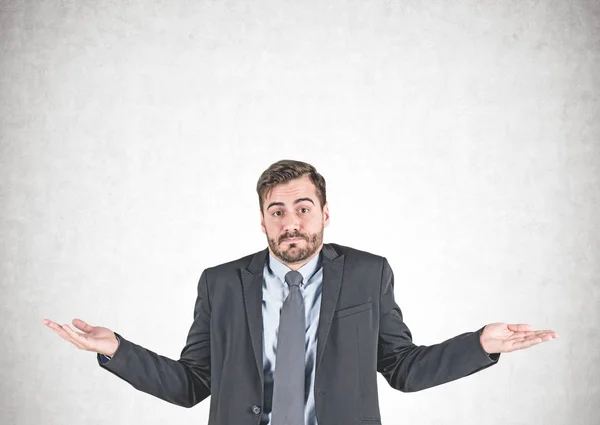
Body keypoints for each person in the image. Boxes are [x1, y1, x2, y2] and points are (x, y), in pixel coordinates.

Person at [43, 159, 558, 425]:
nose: (292, 223)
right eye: (278, 211)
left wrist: (481, 345)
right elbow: (191, 384)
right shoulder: (220, 284)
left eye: (303, 207)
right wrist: (115, 349)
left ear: (325, 213)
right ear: (263, 221)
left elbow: (402, 368)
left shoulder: (367, 273)